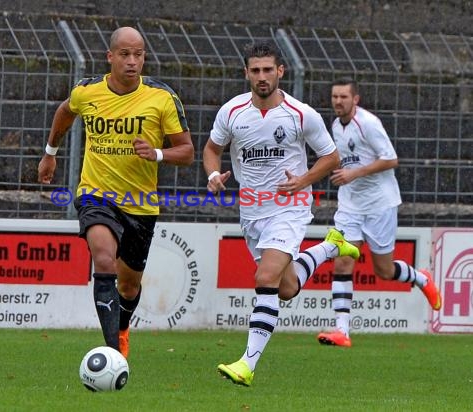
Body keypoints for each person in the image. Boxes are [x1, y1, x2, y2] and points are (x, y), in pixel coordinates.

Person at [203, 42, 360, 387]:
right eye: (255, 70)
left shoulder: (301, 114)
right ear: (247, 73)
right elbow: (212, 149)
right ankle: (331, 247)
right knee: (285, 288)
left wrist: (303, 180)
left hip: (289, 207)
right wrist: (213, 175)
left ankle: (247, 364)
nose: (262, 77)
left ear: (280, 72)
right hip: (251, 210)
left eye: (267, 70)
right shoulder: (231, 112)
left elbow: (331, 157)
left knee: (265, 276)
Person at [38, 27, 194, 358]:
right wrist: (50, 152)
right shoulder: (87, 92)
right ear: (110, 57)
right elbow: (65, 112)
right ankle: (111, 354)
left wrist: (158, 153)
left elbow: (187, 151)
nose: (132, 61)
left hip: (140, 205)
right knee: (104, 258)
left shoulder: (161, 98)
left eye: (138, 54)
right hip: (97, 194)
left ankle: (121, 331)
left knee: (128, 285)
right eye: (125, 54)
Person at [316, 78, 442, 348]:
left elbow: (391, 159)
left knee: (384, 270)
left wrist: (354, 173)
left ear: (355, 99)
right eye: (335, 97)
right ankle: (342, 331)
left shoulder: (369, 124)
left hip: (379, 204)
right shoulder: (336, 126)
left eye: (343, 97)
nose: (338, 102)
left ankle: (421, 278)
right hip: (350, 205)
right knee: (342, 261)